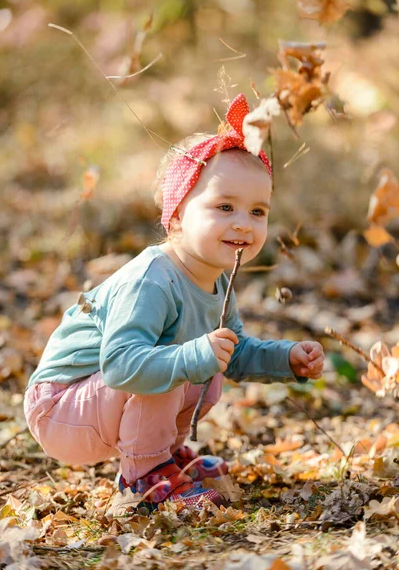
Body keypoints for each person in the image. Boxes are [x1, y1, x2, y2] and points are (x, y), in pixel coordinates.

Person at [24, 93, 324, 511]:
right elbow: (122, 365)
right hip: (60, 407)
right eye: (224, 207)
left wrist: (285, 358)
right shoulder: (152, 279)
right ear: (179, 214)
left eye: (258, 211)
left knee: (206, 363)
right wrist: (195, 354)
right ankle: (143, 478)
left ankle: (160, 456)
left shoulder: (218, 279)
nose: (244, 222)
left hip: (101, 402)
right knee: (177, 359)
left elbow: (232, 355)